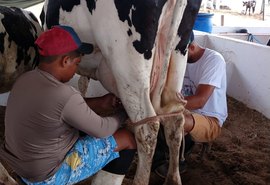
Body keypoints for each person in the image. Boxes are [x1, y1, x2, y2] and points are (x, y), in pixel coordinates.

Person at [0, 25, 136, 185]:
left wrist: (101, 103)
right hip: (46, 176)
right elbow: (103, 129)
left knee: (80, 129)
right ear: (65, 61)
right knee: (126, 139)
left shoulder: (25, 79)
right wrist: (123, 113)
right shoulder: (64, 94)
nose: (75, 70)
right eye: (76, 63)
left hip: (21, 168)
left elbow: (61, 109)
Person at [153, 31, 228, 178]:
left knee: (173, 119)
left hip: (209, 119)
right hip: (184, 111)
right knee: (157, 117)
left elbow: (200, 101)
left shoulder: (214, 60)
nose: (173, 59)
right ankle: (160, 160)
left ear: (191, 48)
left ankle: (178, 161)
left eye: (177, 54)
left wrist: (163, 107)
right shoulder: (179, 60)